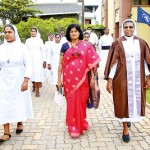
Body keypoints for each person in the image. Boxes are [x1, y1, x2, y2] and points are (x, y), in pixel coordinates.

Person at [104, 19, 150, 143]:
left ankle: (129, 119)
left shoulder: (141, 43)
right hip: (121, 77)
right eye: (126, 27)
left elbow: (145, 61)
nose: (128, 29)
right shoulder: (117, 43)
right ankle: (125, 128)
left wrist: (148, 78)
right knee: (122, 101)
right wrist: (110, 80)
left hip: (137, 78)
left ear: (134, 28)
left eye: (130, 27)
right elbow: (113, 63)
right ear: (122, 29)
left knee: (135, 100)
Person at [57, 24, 100, 138]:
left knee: (81, 101)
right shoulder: (64, 46)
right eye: (71, 31)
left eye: (76, 31)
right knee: (71, 102)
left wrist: (91, 78)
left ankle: (81, 123)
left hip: (82, 80)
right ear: (68, 33)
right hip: (68, 80)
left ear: (79, 33)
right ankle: (73, 126)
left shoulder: (86, 46)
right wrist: (59, 80)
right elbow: (60, 64)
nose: (74, 33)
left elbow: (91, 64)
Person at [0, 24, 33, 144]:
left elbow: (29, 64)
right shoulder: (1, 48)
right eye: (5, 32)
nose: (7, 34)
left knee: (18, 101)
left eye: (10, 32)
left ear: (15, 33)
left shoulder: (22, 47)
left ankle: (19, 122)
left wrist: (26, 80)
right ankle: (6, 132)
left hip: (18, 78)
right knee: (4, 103)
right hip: (3, 79)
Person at [25, 27, 46, 97]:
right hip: (30, 59)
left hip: (38, 59)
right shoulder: (28, 40)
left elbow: (43, 50)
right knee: (31, 74)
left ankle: (37, 90)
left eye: (34, 31)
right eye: (32, 31)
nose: (33, 32)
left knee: (38, 75)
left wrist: (44, 61)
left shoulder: (40, 40)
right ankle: (33, 86)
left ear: (36, 32)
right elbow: (25, 51)